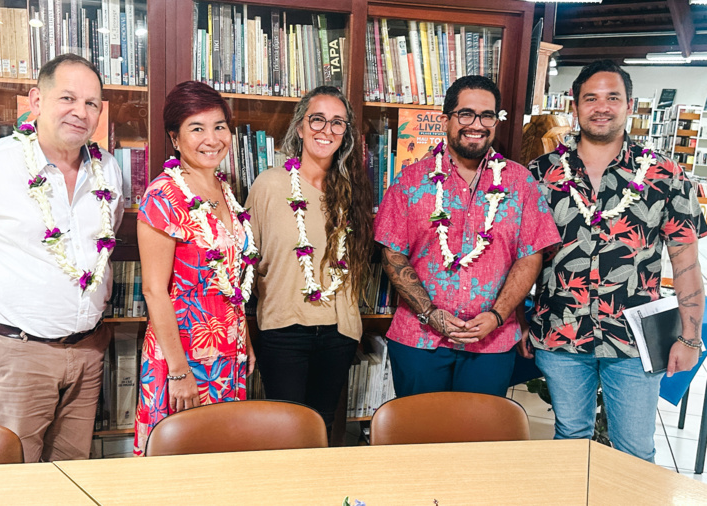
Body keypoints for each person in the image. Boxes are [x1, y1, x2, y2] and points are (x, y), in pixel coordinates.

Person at [528, 59, 706, 462]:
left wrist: (690, 338)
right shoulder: (540, 175)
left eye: (613, 97)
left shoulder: (666, 175)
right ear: (575, 105)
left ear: (630, 105)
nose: (602, 106)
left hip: (636, 340)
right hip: (560, 331)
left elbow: (686, 265)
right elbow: (526, 259)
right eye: (591, 98)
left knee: (634, 450)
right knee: (570, 439)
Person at [0, 54, 123, 462]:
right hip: (17, 352)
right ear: (36, 100)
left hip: (87, 351)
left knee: (74, 470)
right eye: (68, 98)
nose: (81, 112)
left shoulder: (108, 170)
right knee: (17, 474)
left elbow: (105, 240)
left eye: (92, 103)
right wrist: (2, 299)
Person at [374, 75, 560, 398]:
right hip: (419, 340)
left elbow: (531, 255)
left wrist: (497, 315)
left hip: (490, 342)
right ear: (446, 119)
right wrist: (430, 314)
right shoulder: (410, 181)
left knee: (478, 442)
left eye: (487, 115)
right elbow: (392, 253)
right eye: (466, 114)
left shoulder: (520, 183)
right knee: (420, 437)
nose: (477, 124)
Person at [133, 81, 258, 456]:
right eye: (196, 128)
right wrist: (179, 371)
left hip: (228, 348)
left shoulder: (223, 187)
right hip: (184, 354)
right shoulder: (163, 196)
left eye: (219, 126)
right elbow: (155, 291)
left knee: (221, 456)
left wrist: (244, 336)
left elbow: (232, 276)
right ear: (174, 138)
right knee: (180, 461)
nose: (212, 138)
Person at [245, 86, 373, 436]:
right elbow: (246, 261)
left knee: (321, 426)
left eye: (337, 123)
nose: (326, 130)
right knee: (285, 430)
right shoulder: (270, 185)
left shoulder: (352, 190)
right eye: (317, 119)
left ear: (346, 134)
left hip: (338, 333)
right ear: (300, 127)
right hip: (283, 330)